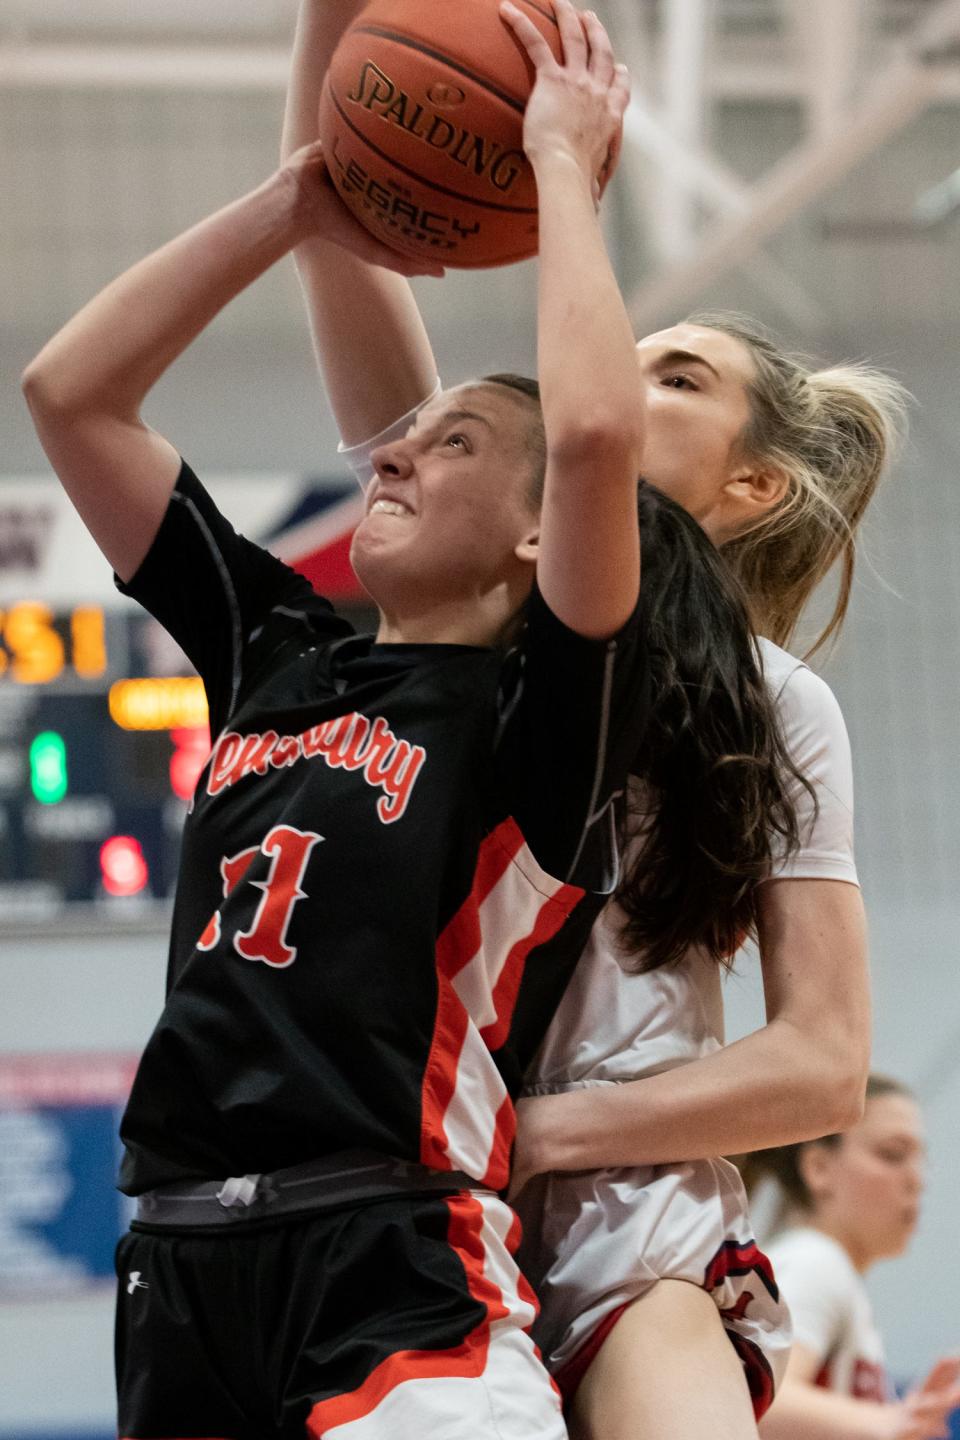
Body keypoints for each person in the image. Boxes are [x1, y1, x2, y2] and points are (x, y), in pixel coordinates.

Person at [282, 3, 910, 1439]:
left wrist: (538, 1132)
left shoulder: (773, 701)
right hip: (398, 1206)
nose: (619, 377)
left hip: (620, 1219)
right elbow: (339, 231)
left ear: (749, 488)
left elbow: (818, 1058)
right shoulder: (478, 586)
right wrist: (334, 19)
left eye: (675, 375)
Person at [21, 7, 649, 1437]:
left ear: (539, 531)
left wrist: (559, 165)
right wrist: (299, 196)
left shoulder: (541, 709)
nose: (400, 452)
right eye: (408, 439)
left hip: (393, 1262)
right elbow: (72, 394)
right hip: (177, 1262)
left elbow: (600, 437)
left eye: (459, 444)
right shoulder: (276, 647)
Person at [743, 1074, 960, 1439]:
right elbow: (759, 1398)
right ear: (819, 1169)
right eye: (893, 1154)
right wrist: (891, 1421)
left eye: (920, 1160)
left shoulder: (829, 1270)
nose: (917, 1180)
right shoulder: (814, 1259)